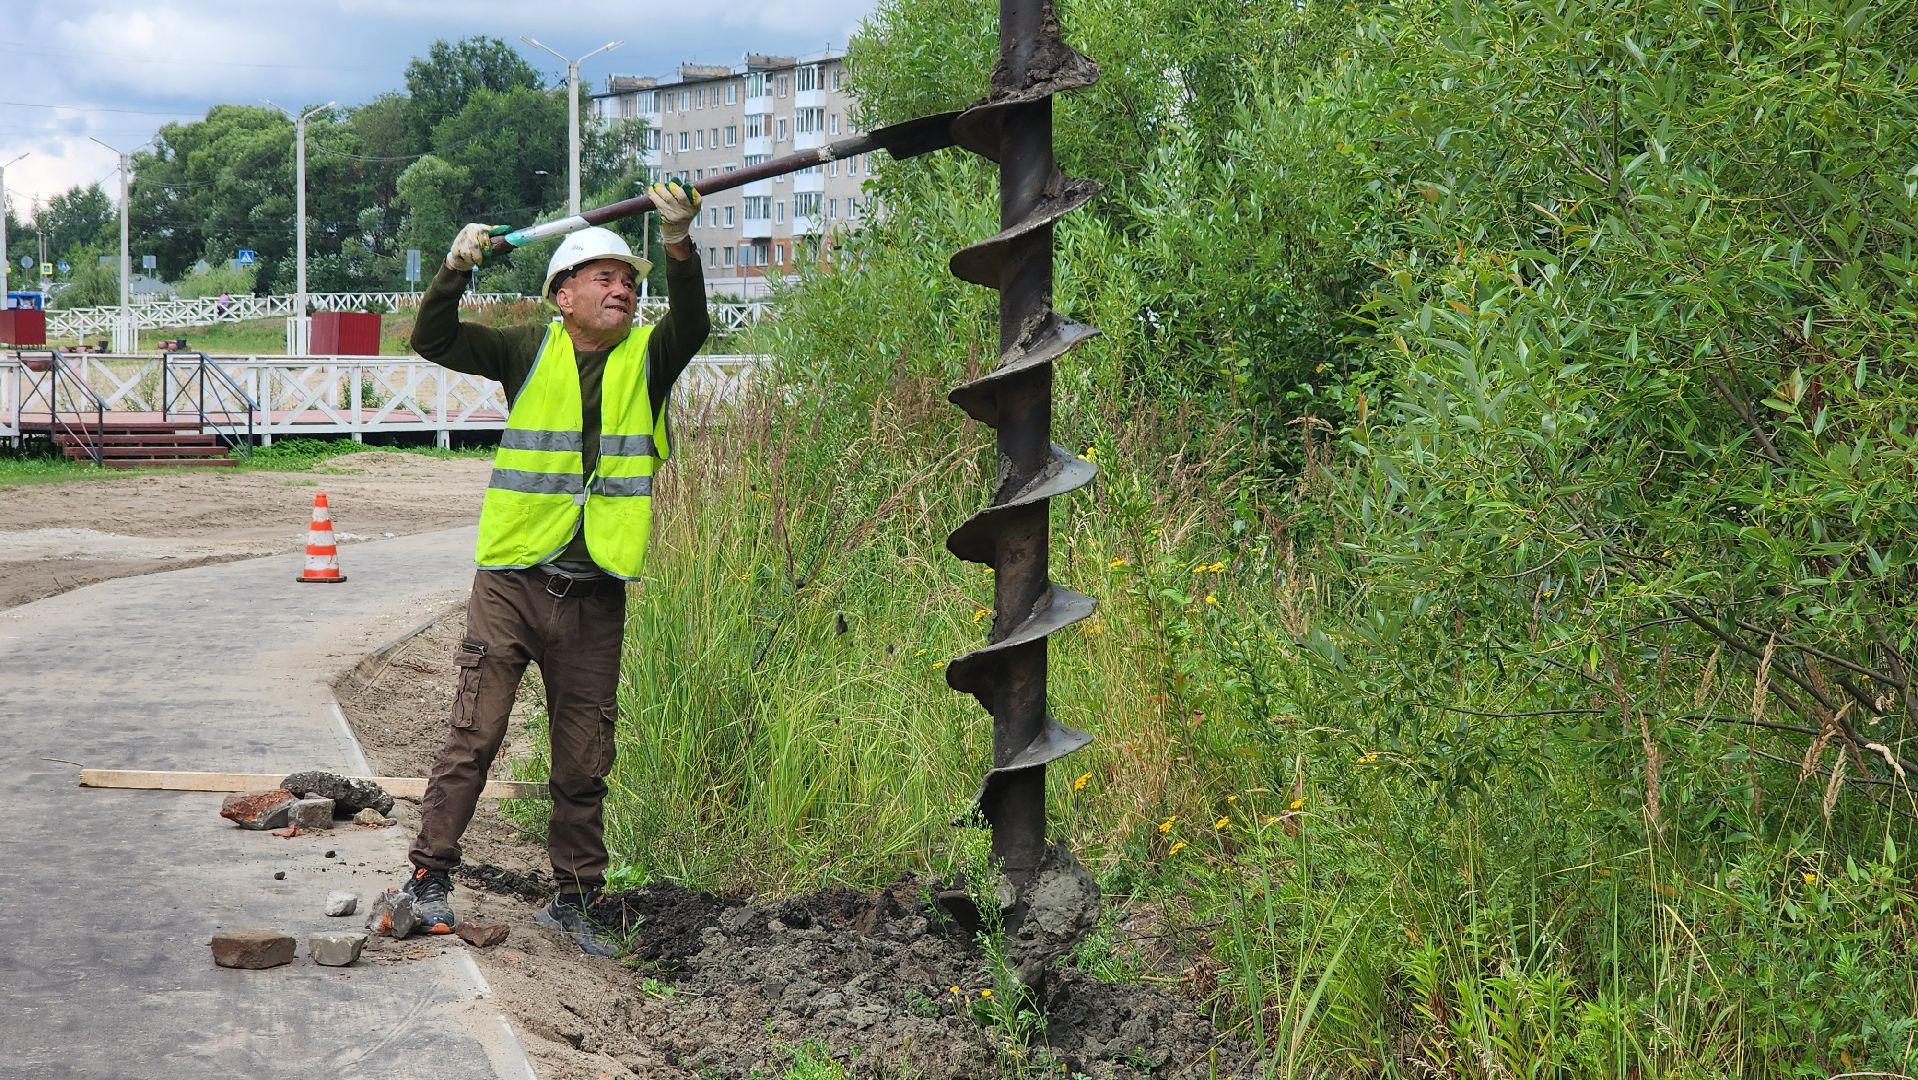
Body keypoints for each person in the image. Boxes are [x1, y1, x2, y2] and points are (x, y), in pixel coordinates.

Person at [397, 182, 707, 956]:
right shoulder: (524, 350)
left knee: (583, 756)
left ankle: (575, 900)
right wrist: (455, 269)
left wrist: (678, 242)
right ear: (562, 296)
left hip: (595, 592)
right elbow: (432, 339)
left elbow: (693, 322)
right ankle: (427, 881)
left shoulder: (648, 358)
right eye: (605, 278)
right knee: (474, 734)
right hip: (512, 581)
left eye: (629, 281)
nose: (623, 290)